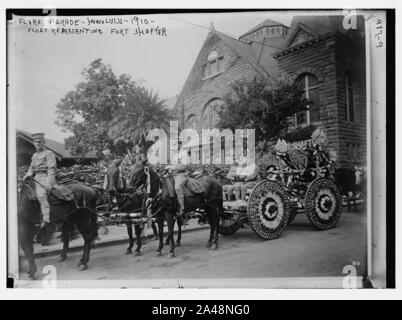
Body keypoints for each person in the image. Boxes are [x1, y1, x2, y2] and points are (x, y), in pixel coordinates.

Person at [23, 133, 57, 227]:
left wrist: (49, 183)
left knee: (41, 195)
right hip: (35, 178)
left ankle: (46, 219)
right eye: (35, 142)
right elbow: (31, 168)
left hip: (45, 178)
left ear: (44, 142)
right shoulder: (34, 155)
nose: (37, 144)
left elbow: (52, 169)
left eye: (39, 142)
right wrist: (27, 175)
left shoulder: (49, 153)